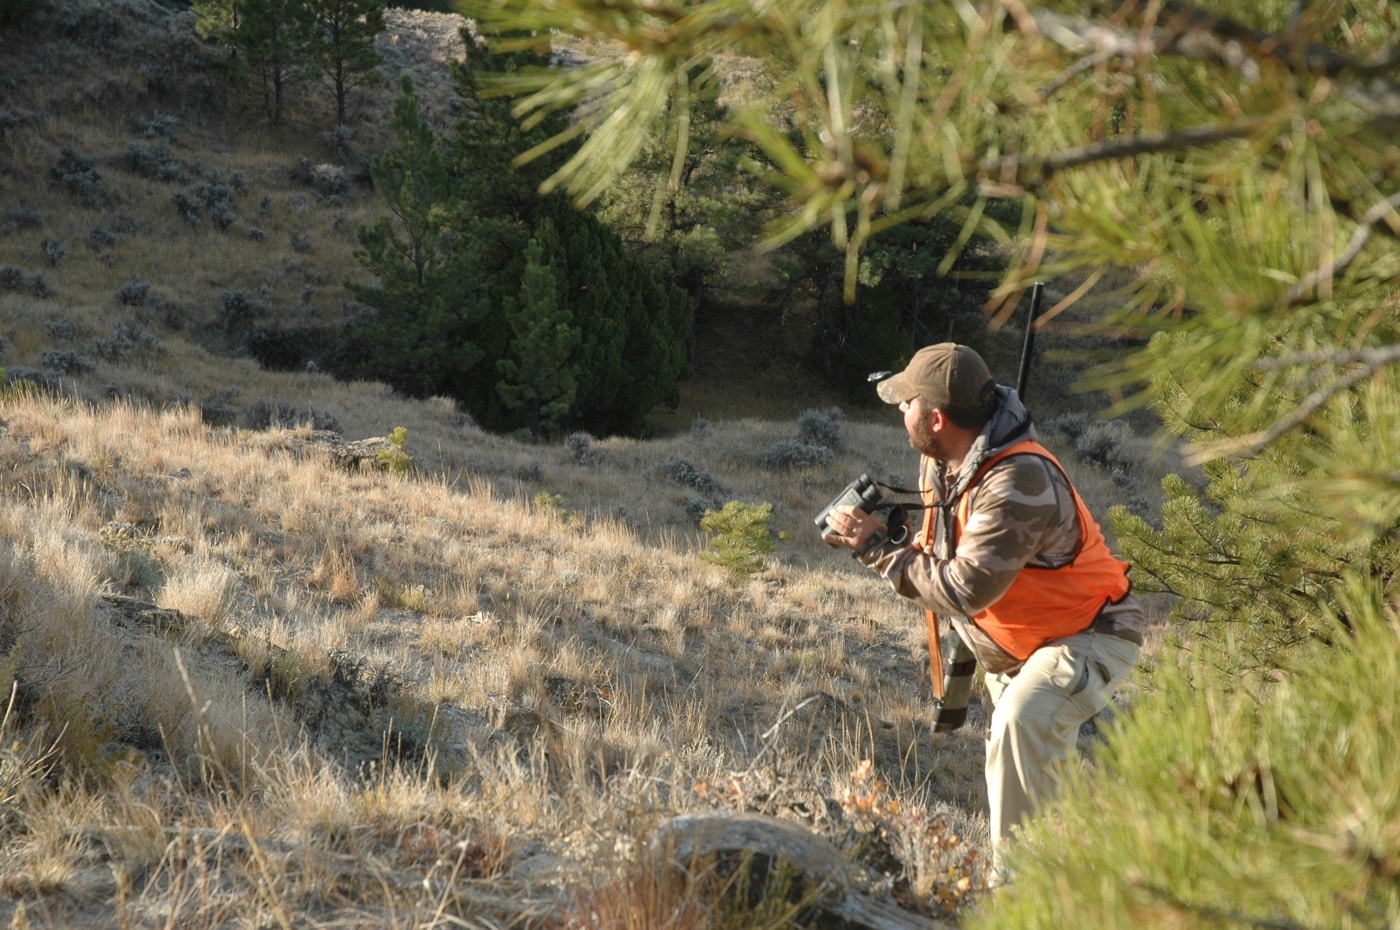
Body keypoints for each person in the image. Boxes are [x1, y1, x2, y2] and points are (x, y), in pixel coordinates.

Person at [820, 342, 1145, 885]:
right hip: (1015, 646)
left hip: (1089, 634)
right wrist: (893, 536)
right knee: (1028, 775)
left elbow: (966, 588)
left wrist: (877, 549)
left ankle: (1017, 902)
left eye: (906, 402)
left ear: (938, 418)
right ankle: (1079, 886)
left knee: (1024, 721)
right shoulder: (944, 463)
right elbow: (950, 553)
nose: (899, 410)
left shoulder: (1017, 481)